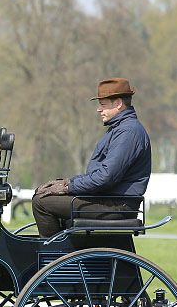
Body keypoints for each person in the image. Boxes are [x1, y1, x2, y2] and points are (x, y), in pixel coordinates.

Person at [31, 78, 151, 238]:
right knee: (46, 196)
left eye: (103, 104)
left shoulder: (127, 133)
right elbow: (98, 174)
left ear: (118, 104)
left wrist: (68, 188)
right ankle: (66, 252)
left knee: (41, 203)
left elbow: (105, 177)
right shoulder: (120, 129)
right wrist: (68, 182)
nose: (98, 110)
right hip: (109, 200)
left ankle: (55, 257)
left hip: (117, 206)